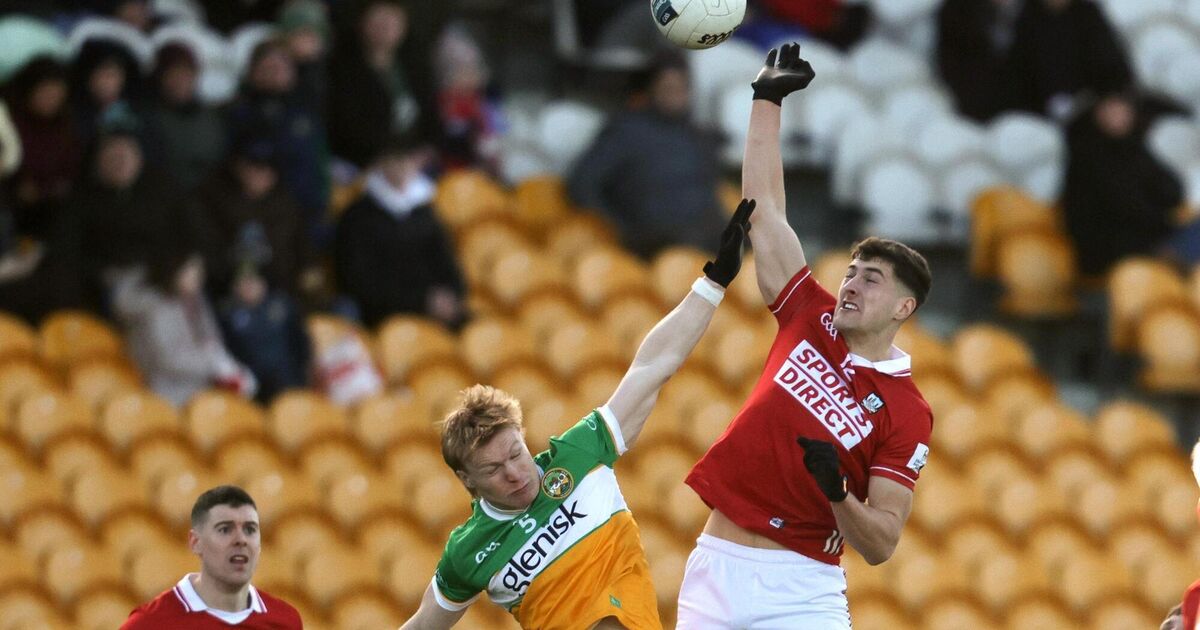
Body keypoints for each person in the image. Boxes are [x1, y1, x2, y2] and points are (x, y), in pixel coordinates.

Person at [400, 200, 755, 629]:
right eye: (493, 469)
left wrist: (713, 283)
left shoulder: (579, 453)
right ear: (466, 480)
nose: (514, 473)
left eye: (516, 453)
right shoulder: (467, 553)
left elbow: (651, 368)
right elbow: (422, 626)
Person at [676, 44, 934, 628]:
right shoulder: (808, 313)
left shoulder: (908, 411)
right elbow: (763, 210)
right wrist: (766, 100)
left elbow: (882, 542)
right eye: (849, 272)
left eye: (871, 280)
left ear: (903, 307)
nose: (850, 286)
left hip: (801, 589)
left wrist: (840, 493)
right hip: (716, 565)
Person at [566, 51, 727, 259]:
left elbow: (710, 193)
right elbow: (582, 184)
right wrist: (619, 229)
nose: (676, 96)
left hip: (709, 239)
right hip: (653, 243)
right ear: (651, 89)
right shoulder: (626, 131)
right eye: (668, 88)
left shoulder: (697, 135)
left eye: (681, 89)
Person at [120, 485, 303, 628]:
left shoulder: (285, 620)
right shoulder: (151, 624)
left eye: (250, 529)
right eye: (225, 529)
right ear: (195, 542)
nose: (240, 540)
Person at [334, 134, 465, 329]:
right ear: (380, 163)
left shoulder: (424, 211)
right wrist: (421, 301)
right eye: (395, 159)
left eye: (407, 158)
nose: (402, 166)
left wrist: (451, 295)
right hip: (386, 317)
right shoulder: (358, 217)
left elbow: (445, 261)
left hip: (437, 311)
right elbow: (360, 281)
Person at [1062, 93, 1184, 275]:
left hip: (1153, 236)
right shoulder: (1088, 158)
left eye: (1123, 110)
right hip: (1112, 247)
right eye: (1110, 110)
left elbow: (1173, 191)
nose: (1119, 116)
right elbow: (1124, 206)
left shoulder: (1136, 148)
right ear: (1097, 115)